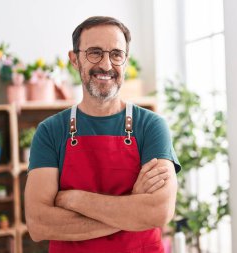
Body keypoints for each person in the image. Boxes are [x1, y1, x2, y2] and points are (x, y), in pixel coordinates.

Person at [24, 16, 181, 253]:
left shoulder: (151, 126)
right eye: (94, 53)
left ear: (125, 60)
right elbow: (38, 224)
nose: (106, 65)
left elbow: (158, 212)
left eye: (116, 54)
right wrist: (131, 210)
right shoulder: (50, 131)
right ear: (75, 59)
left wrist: (73, 200)